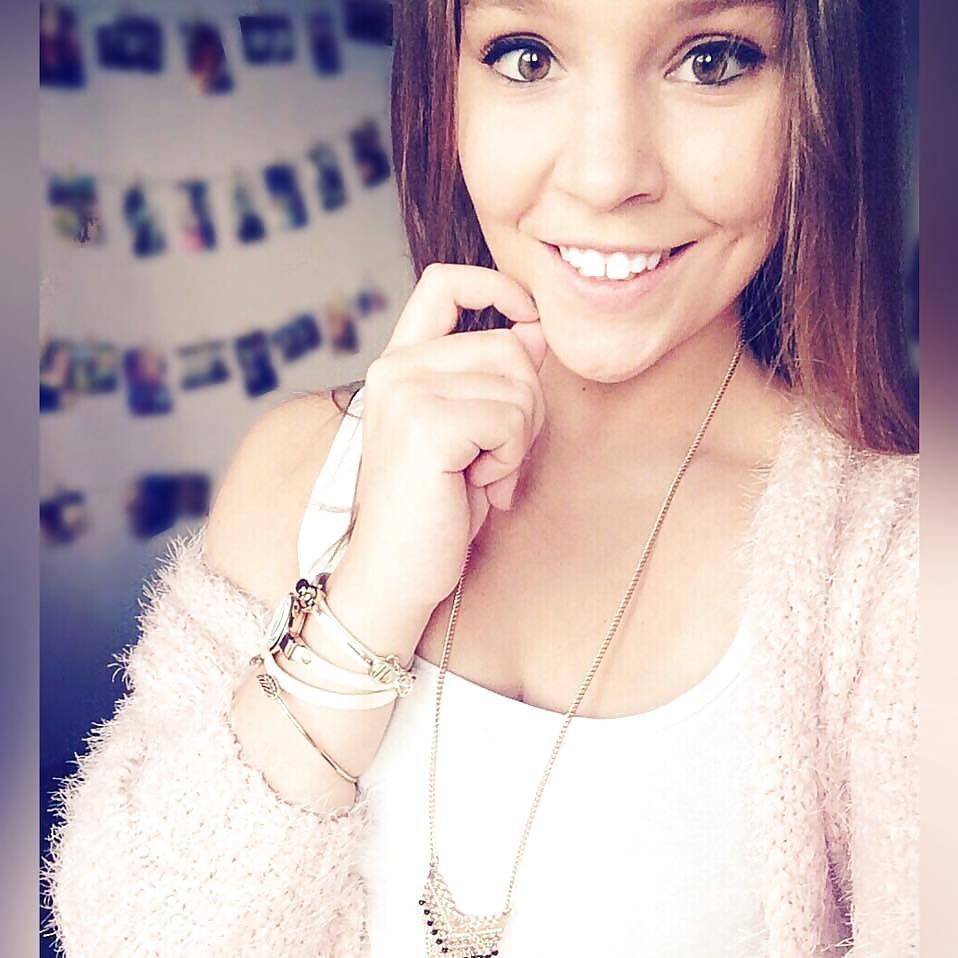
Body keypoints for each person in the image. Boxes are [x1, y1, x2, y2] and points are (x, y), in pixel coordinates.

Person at [41, 0, 918, 955]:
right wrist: (365, 603)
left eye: (710, 61)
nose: (606, 174)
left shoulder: (894, 569)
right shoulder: (300, 471)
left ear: (816, 97)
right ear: (444, 84)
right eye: (527, 56)